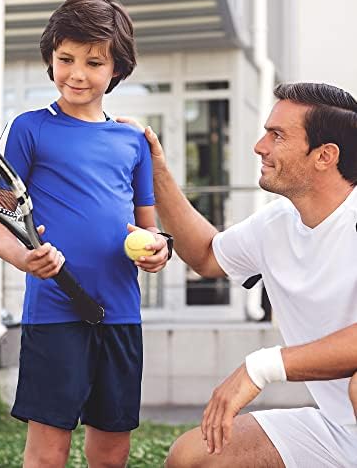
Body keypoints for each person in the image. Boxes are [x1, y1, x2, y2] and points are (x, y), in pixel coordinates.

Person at [0, 0, 171, 468]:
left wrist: (158, 251)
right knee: (49, 448)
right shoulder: (28, 129)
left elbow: (150, 230)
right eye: (66, 59)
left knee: (112, 447)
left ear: (117, 69)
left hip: (120, 313)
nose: (77, 73)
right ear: (50, 58)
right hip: (54, 313)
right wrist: (25, 259)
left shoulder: (134, 142)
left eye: (94, 62)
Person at [140, 82, 357, 466]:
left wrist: (260, 367)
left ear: (325, 156)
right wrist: (157, 173)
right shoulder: (276, 225)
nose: (260, 146)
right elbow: (207, 255)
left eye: (277, 136)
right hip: (339, 432)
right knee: (192, 456)